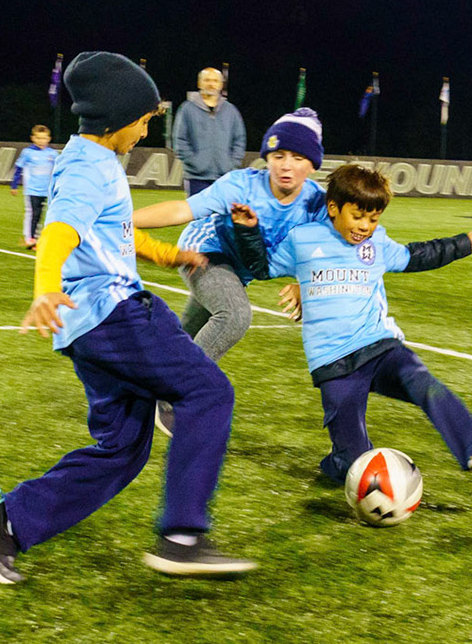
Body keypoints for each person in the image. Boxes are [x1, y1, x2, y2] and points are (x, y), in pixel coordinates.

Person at [0, 52, 253, 584]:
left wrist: (171, 255)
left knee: (123, 448)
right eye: (144, 121)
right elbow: (59, 232)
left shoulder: (94, 160)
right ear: (118, 118)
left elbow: (115, 233)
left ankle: (6, 522)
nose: (145, 131)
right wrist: (45, 288)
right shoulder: (85, 169)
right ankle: (184, 537)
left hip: (92, 326)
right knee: (209, 391)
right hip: (113, 315)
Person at [231, 163, 472, 498]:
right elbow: (262, 267)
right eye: (358, 217)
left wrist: (462, 244)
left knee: (426, 386)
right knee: (354, 466)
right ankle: (340, 462)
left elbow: (416, 256)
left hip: (381, 348)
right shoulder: (303, 239)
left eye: (374, 219)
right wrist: (247, 230)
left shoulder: (377, 243)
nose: (365, 227)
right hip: (333, 364)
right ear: (333, 208)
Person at [132, 107, 329, 434]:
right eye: (278, 154)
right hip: (205, 252)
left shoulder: (317, 203)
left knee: (188, 333)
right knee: (234, 314)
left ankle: (144, 383)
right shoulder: (243, 185)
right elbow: (183, 209)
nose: (286, 165)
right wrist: (121, 218)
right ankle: (173, 396)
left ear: (313, 163)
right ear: (267, 156)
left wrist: (301, 283)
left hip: (239, 271)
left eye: (298, 156)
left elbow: (322, 248)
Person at [172, 67, 246, 196]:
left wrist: (231, 165)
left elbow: (239, 140)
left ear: (221, 84)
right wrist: (195, 162)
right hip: (196, 178)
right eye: (206, 80)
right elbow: (179, 140)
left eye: (215, 81)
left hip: (225, 177)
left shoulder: (231, 111)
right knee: (198, 215)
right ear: (199, 83)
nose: (211, 84)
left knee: (223, 215)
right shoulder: (187, 109)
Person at [10, 124, 57, 248]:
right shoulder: (28, 152)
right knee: (33, 214)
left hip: (47, 190)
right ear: (33, 138)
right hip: (32, 190)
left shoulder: (52, 154)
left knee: (44, 214)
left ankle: (40, 238)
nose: (41, 141)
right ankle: (30, 238)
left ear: (49, 139)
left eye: (44, 138)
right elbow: (18, 168)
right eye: (39, 138)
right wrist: (14, 185)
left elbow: (58, 170)